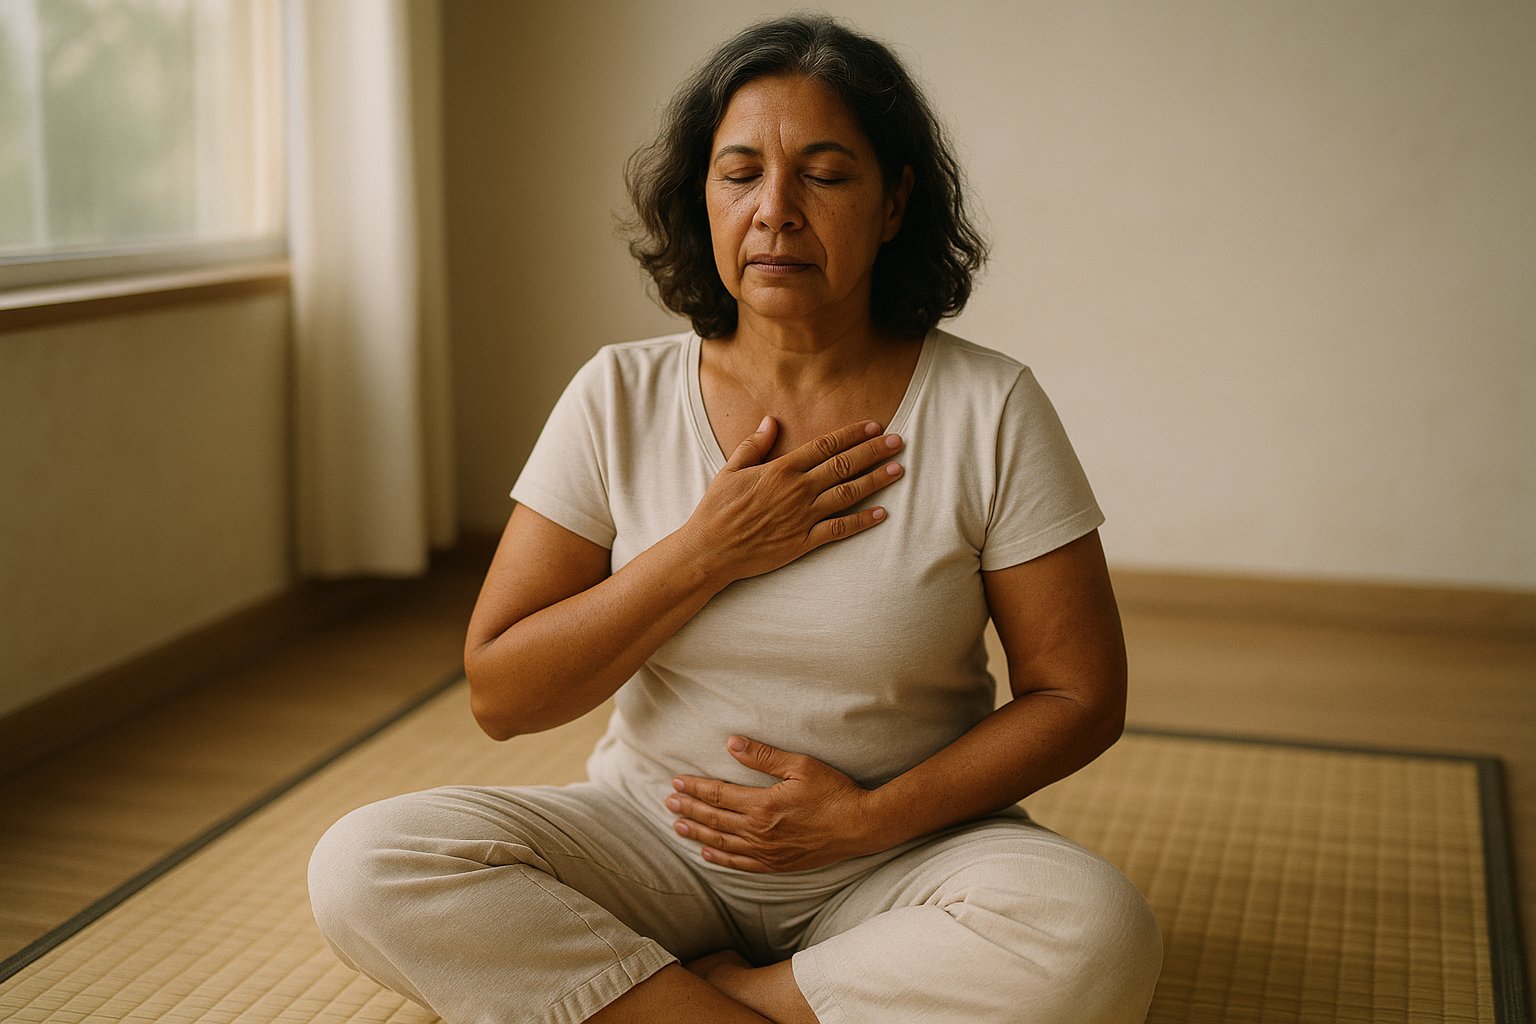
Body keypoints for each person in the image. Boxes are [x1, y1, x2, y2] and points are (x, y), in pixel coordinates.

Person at [308, 13, 1162, 1024]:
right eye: (740, 173)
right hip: (654, 847)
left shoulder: (990, 406)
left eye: (827, 174)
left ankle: (724, 997)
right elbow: (502, 692)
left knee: (1095, 932)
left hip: (901, 854)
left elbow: (1079, 695)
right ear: (700, 200)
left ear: (894, 202)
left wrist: (863, 819)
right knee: (365, 864)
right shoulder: (617, 394)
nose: (776, 212)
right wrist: (705, 552)